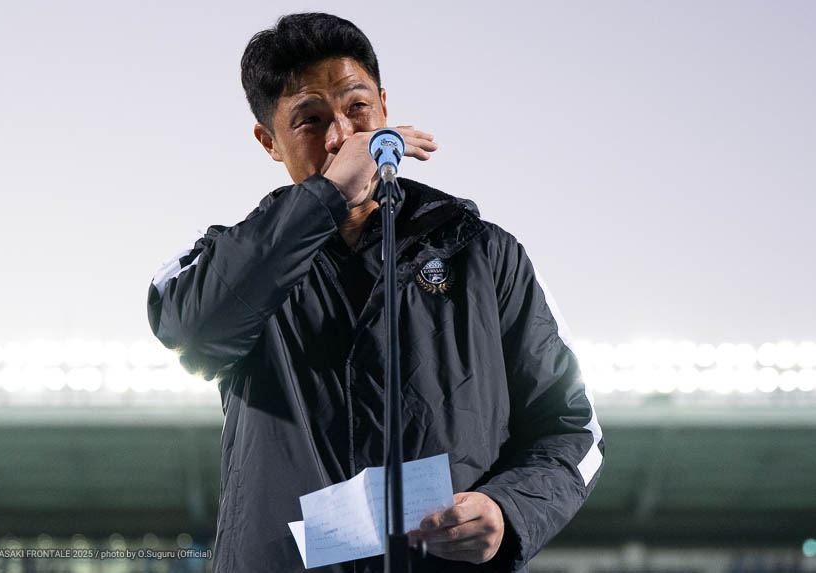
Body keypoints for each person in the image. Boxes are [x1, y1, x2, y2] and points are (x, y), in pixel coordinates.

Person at [147, 12, 604, 573]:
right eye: (310, 120)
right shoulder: (235, 262)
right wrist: (328, 194)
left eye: (357, 107)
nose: (343, 137)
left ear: (384, 106)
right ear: (269, 142)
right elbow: (188, 331)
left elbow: (571, 429)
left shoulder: (485, 255)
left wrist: (507, 509)